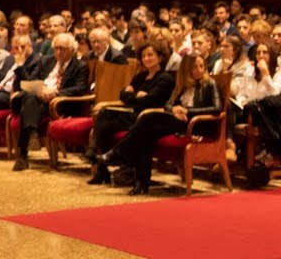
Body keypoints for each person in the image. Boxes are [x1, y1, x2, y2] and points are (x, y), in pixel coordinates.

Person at [101, 54, 221, 194]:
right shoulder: (182, 84)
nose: (200, 70)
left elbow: (217, 108)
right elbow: (168, 105)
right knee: (145, 134)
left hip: (195, 124)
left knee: (148, 118)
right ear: (186, 69)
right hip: (177, 121)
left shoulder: (209, 83)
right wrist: (175, 109)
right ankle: (142, 183)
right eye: (195, 67)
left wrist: (187, 111)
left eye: (202, 66)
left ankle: (118, 152)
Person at [86, 42, 174, 185]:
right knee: (103, 114)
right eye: (144, 56)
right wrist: (136, 96)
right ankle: (102, 167)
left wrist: (134, 96)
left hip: (146, 118)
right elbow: (123, 95)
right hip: (130, 112)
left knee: (105, 121)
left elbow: (150, 101)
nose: (146, 58)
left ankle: (97, 158)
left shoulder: (165, 78)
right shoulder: (141, 76)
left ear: (160, 57)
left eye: (150, 55)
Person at [12, 32, 89, 171]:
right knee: (31, 98)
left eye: (63, 49)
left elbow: (80, 88)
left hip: (59, 103)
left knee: (28, 103)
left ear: (72, 50)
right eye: (56, 48)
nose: (58, 52)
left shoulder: (80, 66)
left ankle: (23, 155)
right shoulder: (46, 61)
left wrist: (55, 93)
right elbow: (28, 82)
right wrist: (41, 89)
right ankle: (33, 135)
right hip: (39, 98)